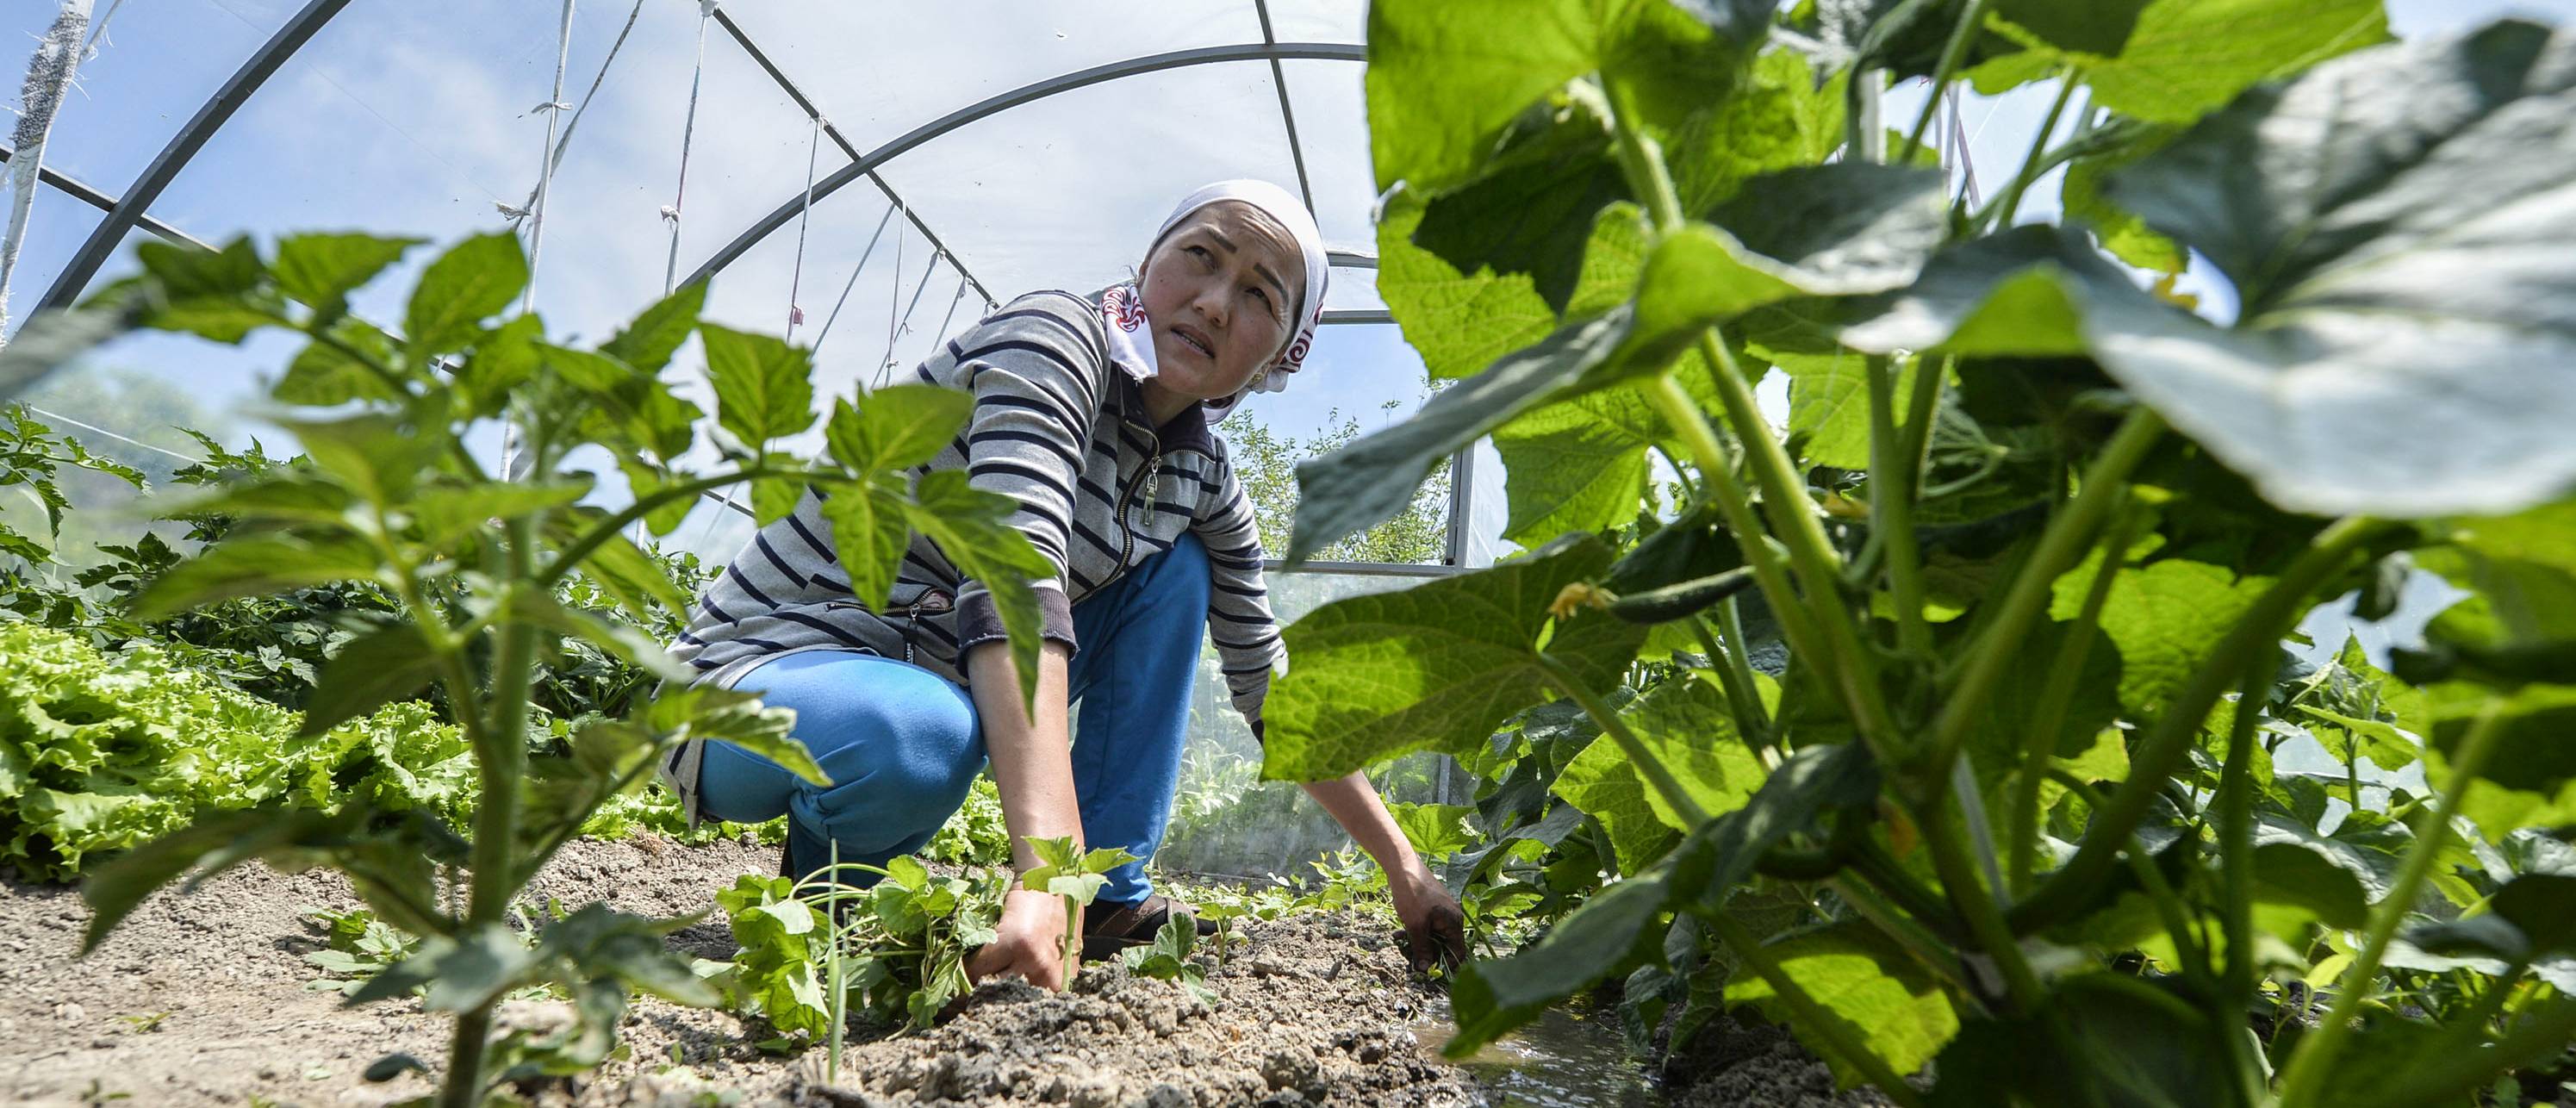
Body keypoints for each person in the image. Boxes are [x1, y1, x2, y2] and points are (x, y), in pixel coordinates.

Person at [660, 180, 1469, 990]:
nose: (1217, 303)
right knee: (923, 735)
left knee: (1177, 569)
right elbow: (1014, 575)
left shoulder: (1204, 478)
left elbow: (1270, 688)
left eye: (1260, 294)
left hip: (926, 681)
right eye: (1201, 256)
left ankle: (1109, 899)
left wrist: (1404, 867)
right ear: (1147, 263)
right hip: (762, 674)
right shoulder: (1051, 339)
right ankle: (831, 882)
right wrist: (1044, 873)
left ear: (1281, 355)